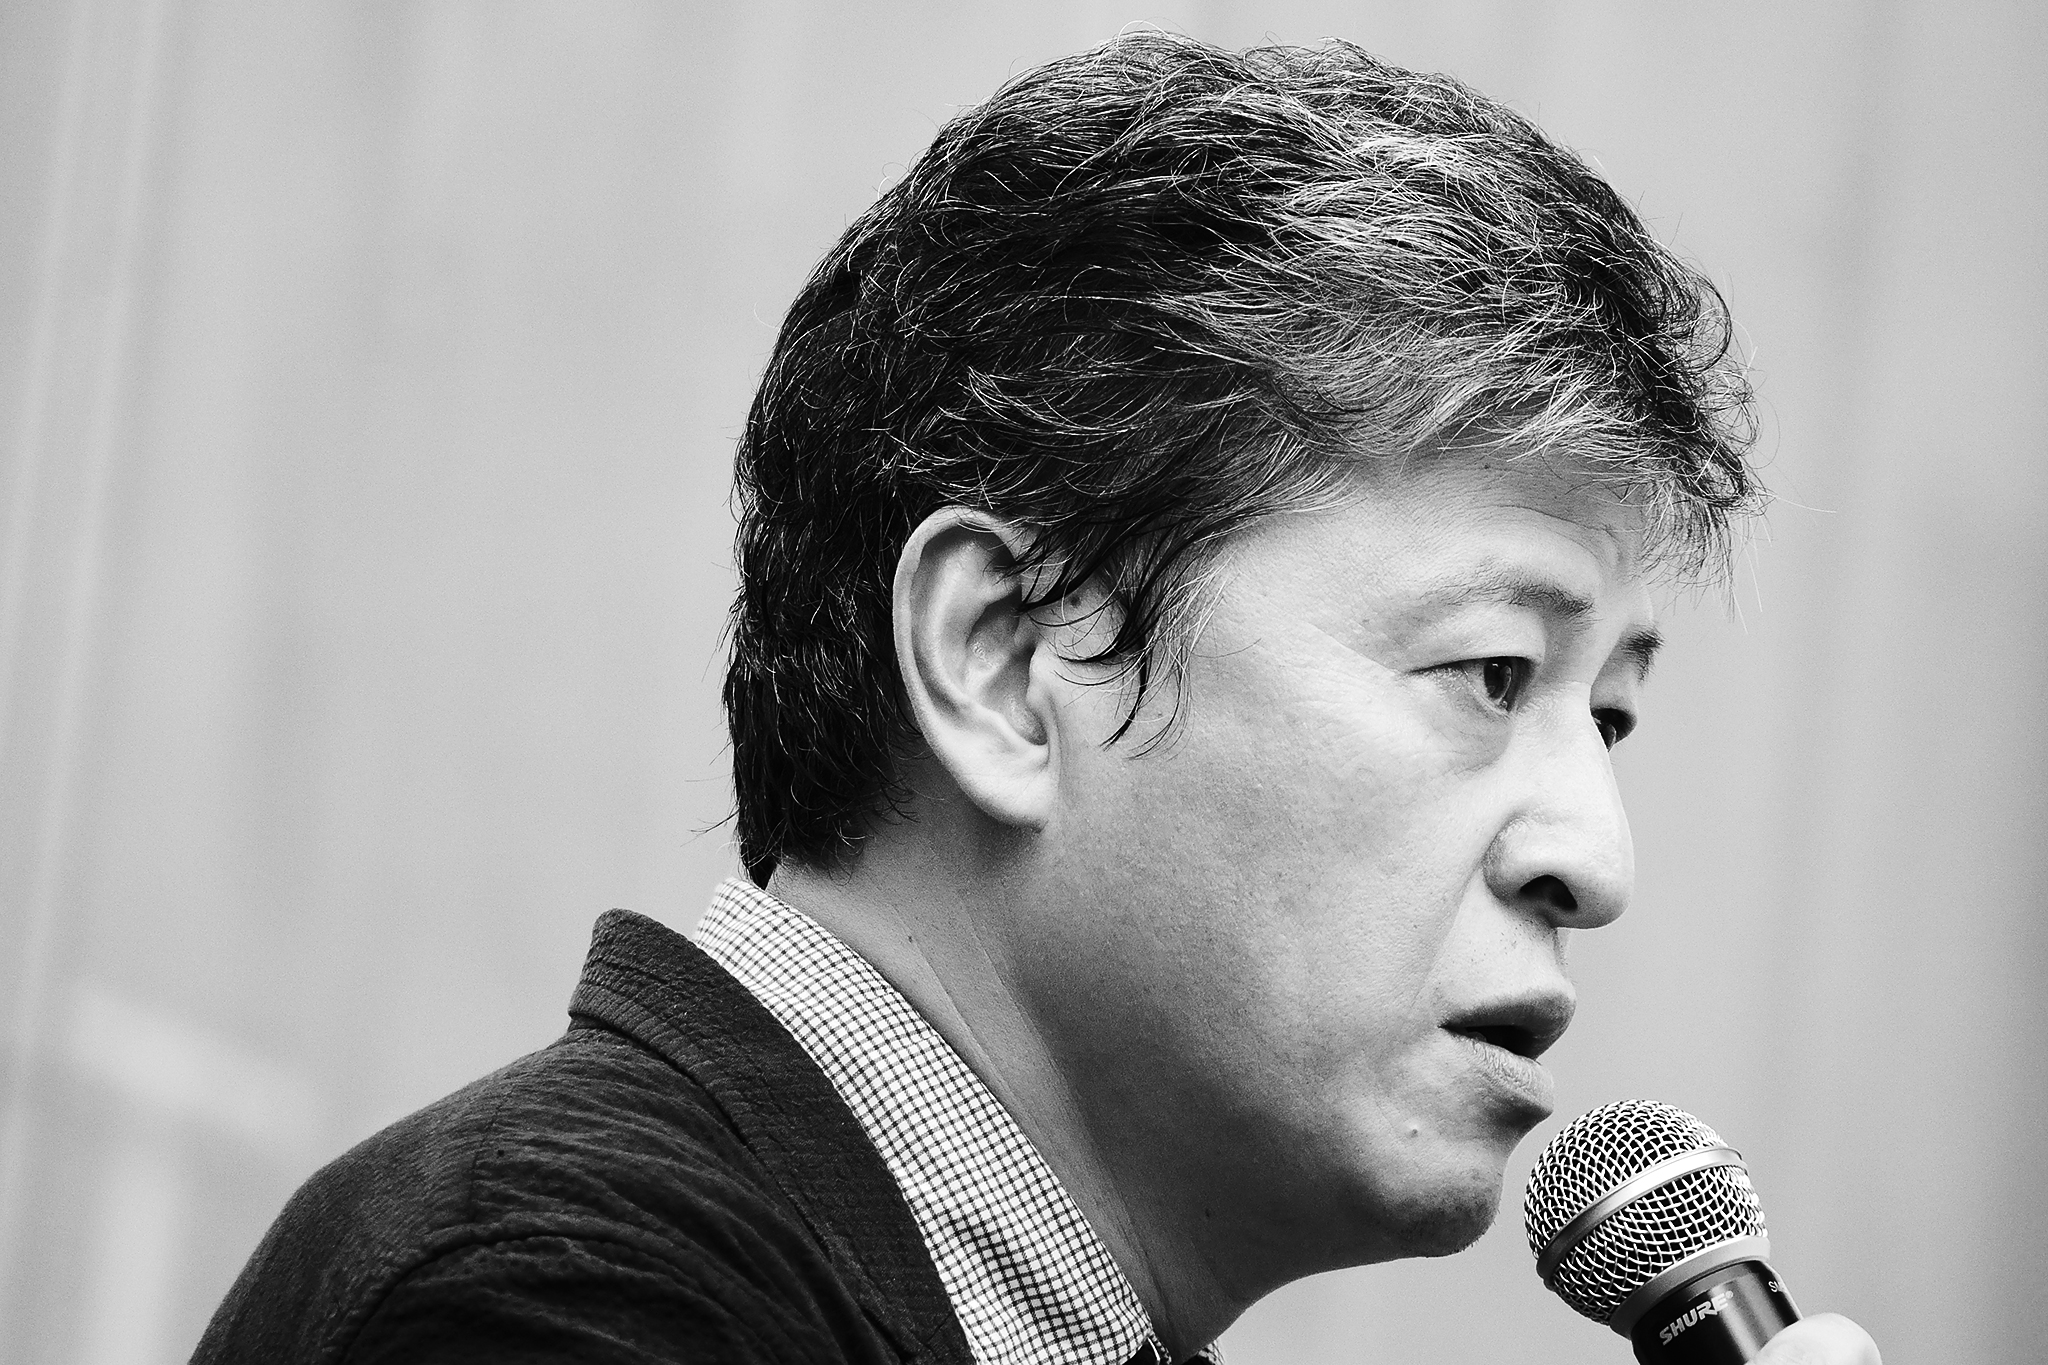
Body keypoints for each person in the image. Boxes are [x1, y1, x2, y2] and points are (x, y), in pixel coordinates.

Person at [194, 32, 1880, 1365]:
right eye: (1493, 671)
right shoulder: (568, 1299)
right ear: (1003, 662)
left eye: (1611, 716)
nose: (1596, 856)